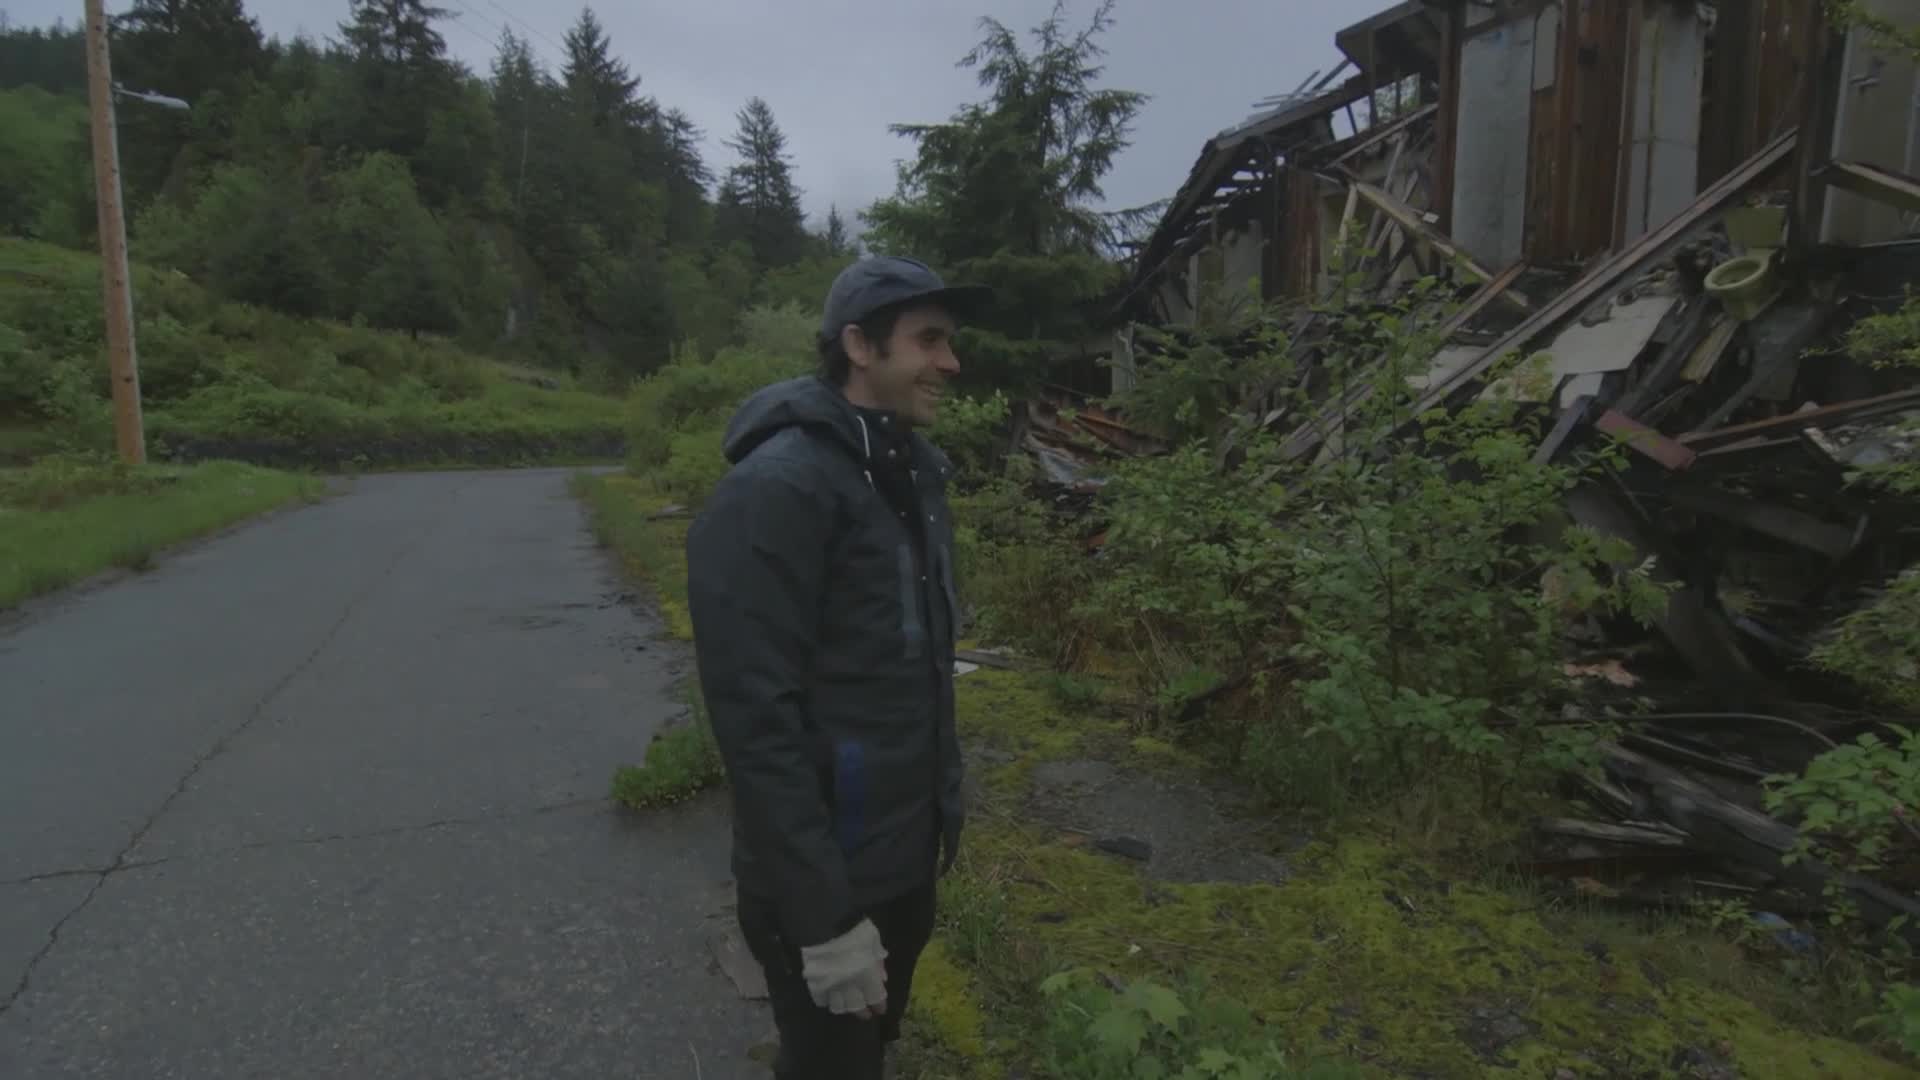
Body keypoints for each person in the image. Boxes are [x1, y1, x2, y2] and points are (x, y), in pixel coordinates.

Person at [685, 255, 991, 1079]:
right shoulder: (777, 490)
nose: (951, 363)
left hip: (903, 856)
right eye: (929, 340)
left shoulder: (910, 478)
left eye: (950, 342)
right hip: (825, 882)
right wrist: (822, 919)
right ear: (859, 344)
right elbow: (755, 724)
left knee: (863, 1054)